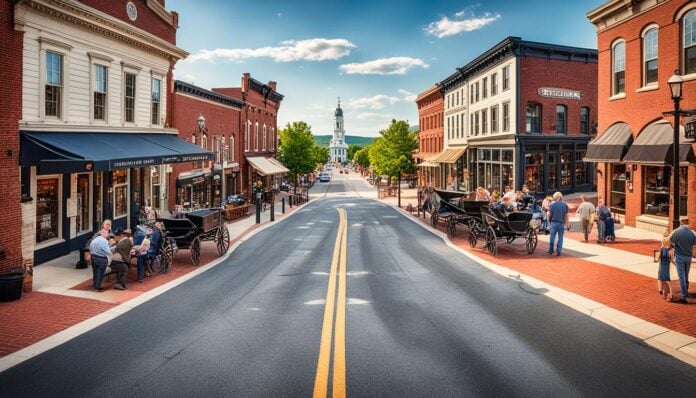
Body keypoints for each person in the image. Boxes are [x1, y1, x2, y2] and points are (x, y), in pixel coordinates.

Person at [670, 218, 696, 303]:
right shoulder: (692, 233)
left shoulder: (676, 231)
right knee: (686, 275)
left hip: (679, 257)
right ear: (688, 223)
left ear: (681, 222)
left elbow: (672, 242)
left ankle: (684, 296)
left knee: (681, 276)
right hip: (688, 257)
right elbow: (694, 243)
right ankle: (686, 292)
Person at [547, 191, 570, 256]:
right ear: (560, 197)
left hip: (553, 222)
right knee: (560, 237)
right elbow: (567, 215)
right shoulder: (565, 204)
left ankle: (551, 250)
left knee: (552, 237)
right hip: (561, 223)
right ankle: (559, 251)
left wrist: (549, 222)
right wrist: (567, 223)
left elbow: (549, 214)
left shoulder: (552, 204)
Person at [658, 231, 674, 302]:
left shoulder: (662, 249)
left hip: (661, 265)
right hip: (667, 265)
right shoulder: (670, 250)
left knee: (660, 277)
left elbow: (658, 258)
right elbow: (672, 259)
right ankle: (670, 294)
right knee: (667, 280)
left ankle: (660, 290)